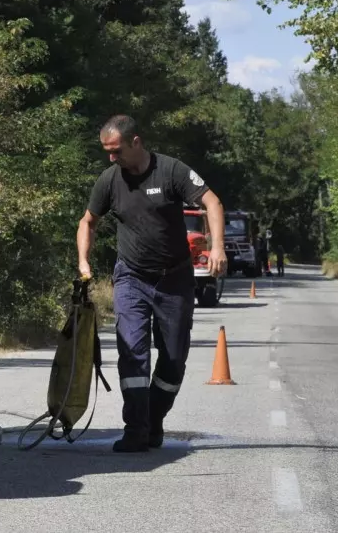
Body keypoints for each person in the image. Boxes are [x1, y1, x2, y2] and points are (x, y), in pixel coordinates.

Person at [76, 115, 227, 452]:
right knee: (132, 351)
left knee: (173, 360)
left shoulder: (170, 171)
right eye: (106, 152)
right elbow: (88, 222)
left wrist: (217, 246)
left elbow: (212, 201)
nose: (111, 158)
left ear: (136, 142)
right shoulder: (108, 181)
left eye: (116, 151)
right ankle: (136, 428)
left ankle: (153, 419)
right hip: (131, 276)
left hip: (174, 278)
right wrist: (84, 262)